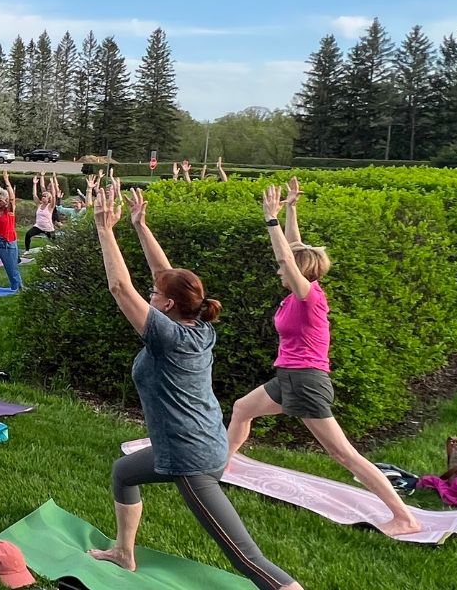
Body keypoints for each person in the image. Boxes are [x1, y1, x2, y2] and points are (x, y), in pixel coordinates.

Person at [85, 183, 301, 590]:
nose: (150, 293)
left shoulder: (167, 336)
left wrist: (105, 230)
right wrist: (140, 225)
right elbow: (162, 277)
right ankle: (123, 552)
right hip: (202, 440)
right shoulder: (198, 325)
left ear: (166, 305)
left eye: (155, 294)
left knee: (248, 559)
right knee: (123, 473)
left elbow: (120, 288)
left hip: (192, 458)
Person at [225, 178, 423, 537]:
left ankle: (404, 517)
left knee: (345, 455)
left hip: (306, 382)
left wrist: (270, 219)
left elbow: (287, 254)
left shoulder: (309, 298)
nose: (278, 268)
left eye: (283, 267)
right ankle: (223, 465)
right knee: (242, 408)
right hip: (288, 376)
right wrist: (291, 208)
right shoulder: (300, 293)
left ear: (298, 272)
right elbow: (292, 248)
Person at [25, 174, 58, 250]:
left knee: (56, 243)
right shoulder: (39, 205)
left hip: (48, 228)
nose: (43, 198)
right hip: (38, 226)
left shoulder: (50, 206)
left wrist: (52, 185)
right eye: (42, 196)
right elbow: (34, 194)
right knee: (28, 234)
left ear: (48, 199)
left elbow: (53, 196)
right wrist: (34, 184)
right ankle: (27, 250)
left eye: (45, 197)